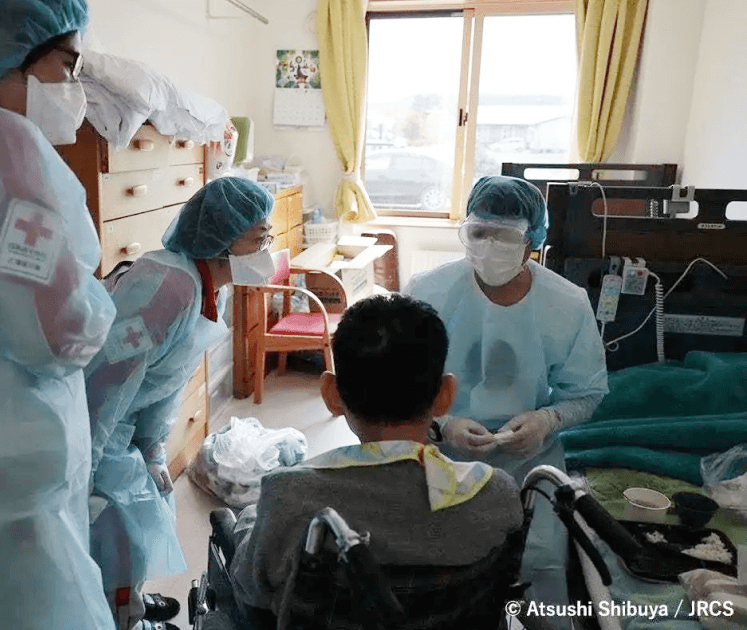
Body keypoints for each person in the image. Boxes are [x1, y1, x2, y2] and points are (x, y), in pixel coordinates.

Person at [230, 293, 524, 623]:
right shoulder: (497, 494)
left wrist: (250, 520)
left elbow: (250, 589)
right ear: (445, 397)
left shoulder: (288, 497)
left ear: (331, 395)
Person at [405, 175, 609, 627]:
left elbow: (588, 392)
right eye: (479, 232)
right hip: (440, 454)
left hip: (528, 457)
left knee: (542, 563)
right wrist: (443, 425)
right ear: (465, 230)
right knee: (438, 565)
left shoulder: (567, 303)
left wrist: (548, 418)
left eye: (506, 236)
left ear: (533, 239)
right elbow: (400, 387)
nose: (490, 246)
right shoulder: (427, 292)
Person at [84, 176, 276, 629]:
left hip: (125, 423)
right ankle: (116, 615)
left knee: (152, 506)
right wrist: (84, 471)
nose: (269, 248)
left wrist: (152, 452)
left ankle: (127, 601)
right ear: (223, 238)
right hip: (93, 422)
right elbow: (102, 386)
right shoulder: (168, 286)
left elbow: (167, 381)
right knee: (119, 526)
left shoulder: (213, 289)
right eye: (261, 237)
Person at [0, 1, 118, 628]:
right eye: (66, 66)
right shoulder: (10, 143)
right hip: (19, 457)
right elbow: (59, 332)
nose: (74, 89)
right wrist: (101, 301)